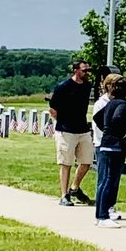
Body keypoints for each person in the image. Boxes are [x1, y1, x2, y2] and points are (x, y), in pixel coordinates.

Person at [49, 60, 94, 206]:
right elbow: (53, 109)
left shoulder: (87, 86)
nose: (87, 73)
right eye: (84, 70)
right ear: (75, 70)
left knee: (86, 161)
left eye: (88, 70)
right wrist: (62, 121)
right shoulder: (63, 87)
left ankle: (74, 187)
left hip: (83, 128)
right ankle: (64, 195)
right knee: (66, 163)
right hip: (66, 129)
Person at [93, 74, 126, 227]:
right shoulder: (122, 104)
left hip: (107, 143)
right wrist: (119, 134)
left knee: (106, 181)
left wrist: (107, 130)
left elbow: (98, 118)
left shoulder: (110, 103)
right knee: (108, 180)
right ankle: (103, 216)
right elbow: (117, 119)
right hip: (114, 145)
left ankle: (101, 214)